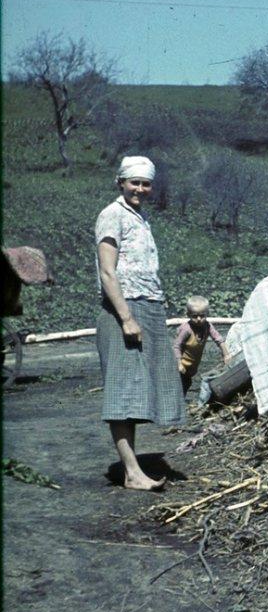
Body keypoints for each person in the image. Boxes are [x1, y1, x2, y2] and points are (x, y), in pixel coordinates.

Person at [95, 155, 184, 490]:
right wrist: (127, 318)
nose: (141, 189)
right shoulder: (112, 215)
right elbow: (107, 271)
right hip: (122, 311)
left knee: (136, 389)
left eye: (146, 183)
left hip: (146, 306)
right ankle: (132, 472)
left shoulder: (141, 219)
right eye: (135, 182)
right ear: (121, 182)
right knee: (121, 391)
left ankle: (134, 469)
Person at [173, 296, 231, 394]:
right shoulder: (186, 329)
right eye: (195, 316)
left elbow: (218, 339)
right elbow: (176, 346)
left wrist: (226, 354)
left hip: (191, 367)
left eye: (202, 316)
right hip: (180, 365)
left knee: (186, 384)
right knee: (179, 387)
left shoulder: (207, 327)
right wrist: (179, 364)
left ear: (207, 314)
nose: (199, 319)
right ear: (188, 315)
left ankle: (179, 406)